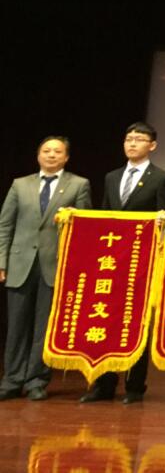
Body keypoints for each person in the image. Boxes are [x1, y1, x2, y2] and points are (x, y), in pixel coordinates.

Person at [81, 122, 165, 405]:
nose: (132, 143)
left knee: (138, 321)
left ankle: (135, 385)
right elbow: (105, 216)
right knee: (107, 318)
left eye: (139, 139)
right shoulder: (112, 177)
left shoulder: (161, 178)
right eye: (128, 138)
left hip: (142, 260)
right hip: (112, 261)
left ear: (152, 145)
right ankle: (104, 383)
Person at [0, 136, 93, 402]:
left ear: (66, 157)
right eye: (46, 150)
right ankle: (11, 379)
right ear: (38, 155)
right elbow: (5, 225)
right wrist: (2, 262)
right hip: (20, 264)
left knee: (44, 327)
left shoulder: (78, 184)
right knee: (16, 326)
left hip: (55, 266)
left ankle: (36, 380)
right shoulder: (20, 184)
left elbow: (84, 228)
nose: (51, 155)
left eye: (57, 151)